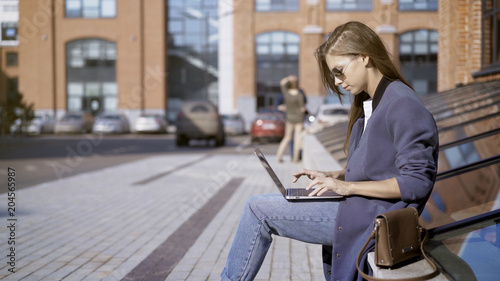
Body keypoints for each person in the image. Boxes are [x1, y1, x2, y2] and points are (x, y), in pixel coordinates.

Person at [220, 21, 439, 281]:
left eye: (339, 71)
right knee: (260, 206)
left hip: (369, 218)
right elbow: (377, 168)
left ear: (363, 56)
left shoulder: (401, 104)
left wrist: (349, 188)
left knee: (257, 209)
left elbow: (416, 183)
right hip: (358, 207)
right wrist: (334, 175)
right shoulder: (372, 102)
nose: (337, 82)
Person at [276, 75, 306, 163]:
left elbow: (282, 83)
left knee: (287, 137)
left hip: (289, 118)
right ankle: (295, 158)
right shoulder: (300, 94)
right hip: (299, 118)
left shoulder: (286, 93)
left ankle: (279, 156)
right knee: (297, 138)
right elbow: (302, 108)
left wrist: (288, 78)